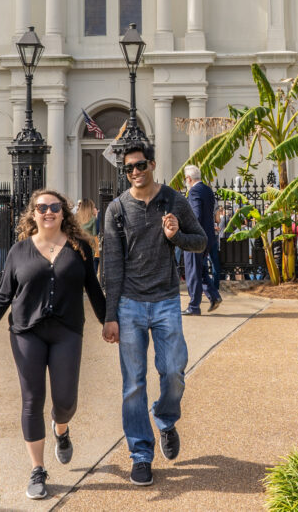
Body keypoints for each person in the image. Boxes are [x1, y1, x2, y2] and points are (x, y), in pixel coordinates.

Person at [0, 189, 106, 500]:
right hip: (27, 333)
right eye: (42, 207)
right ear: (33, 213)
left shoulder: (80, 248)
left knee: (66, 401)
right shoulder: (19, 251)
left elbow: (93, 288)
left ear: (64, 212)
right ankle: (37, 469)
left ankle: (61, 430)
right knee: (32, 400)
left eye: (55, 207)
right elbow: (2, 297)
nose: (48, 212)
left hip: (67, 331)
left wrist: (109, 321)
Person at [101, 141, 207, 487]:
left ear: (153, 164)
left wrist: (176, 236)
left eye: (140, 165)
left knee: (174, 371)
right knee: (133, 384)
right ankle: (141, 455)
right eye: (128, 168)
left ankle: (165, 418)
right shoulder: (117, 209)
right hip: (129, 304)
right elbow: (112, 265)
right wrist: (110, 314)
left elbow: (201, 241)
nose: (134, 172)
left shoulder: (174, 200)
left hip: (164, 301)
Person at [181, 165, 220, 315]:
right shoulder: (207, 190)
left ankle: (194, 306)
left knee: (192, 271)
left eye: (186, 179)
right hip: (208, 237)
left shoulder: (194, 191)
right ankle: (214, 296)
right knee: (201, 270)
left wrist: (185, 226)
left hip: (195, 238)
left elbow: (196, 214)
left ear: (189, 179)